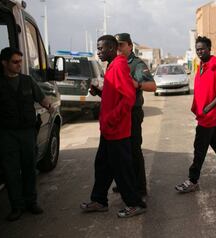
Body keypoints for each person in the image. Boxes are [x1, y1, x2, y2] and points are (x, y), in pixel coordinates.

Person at [80, 35, 146, 218]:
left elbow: (128, 98)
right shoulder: (111, 66)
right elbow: (114, 97)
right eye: (98, 48)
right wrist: (100, 92)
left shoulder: (119, 65)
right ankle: (99, 200)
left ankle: (135, 203)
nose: (98, 52)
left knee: (122, 170)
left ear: (111, 48)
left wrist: (111, 119)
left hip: (116, 130)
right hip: (108, 130)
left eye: (101, 48)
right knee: (102, 165)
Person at [0, 47, 51, 221]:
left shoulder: (27, 81)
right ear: (4, 63)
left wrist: (49, 105)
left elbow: (41, 98)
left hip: (27, 132)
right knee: (11, 171)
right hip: (6, 134)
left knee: (29, 168)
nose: (19, 65)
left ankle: (31, 202)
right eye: (15, 62)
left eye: (20, 61)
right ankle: (16, 206)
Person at [174, 36, 216, 193]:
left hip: (209, 115)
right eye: (197, 49)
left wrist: (209, 107)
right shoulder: (202, 64)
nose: (200, 51)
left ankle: (193, 180)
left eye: (203, 49)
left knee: (199, 147)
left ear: (209, 49)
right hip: (202, 113)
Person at [112, 33, 156, 196]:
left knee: (134, 150)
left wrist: (137, 84)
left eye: (121, 45)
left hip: (132, 112)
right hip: (118, 113)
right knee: (121, 151)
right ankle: (126, 182)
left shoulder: (136, 64)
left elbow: (152, 86)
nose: (118, 48)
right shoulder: (115, 63)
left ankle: (139, 187)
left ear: (130, 46)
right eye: (116, 45)